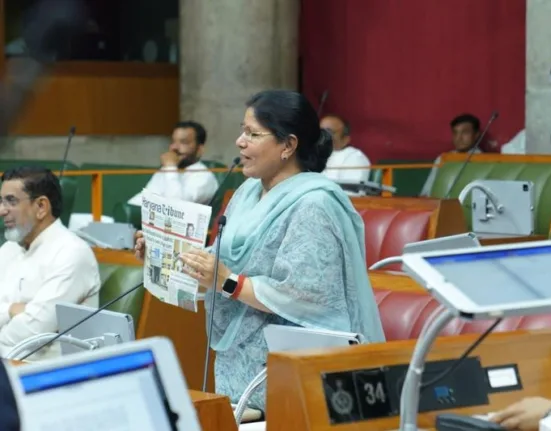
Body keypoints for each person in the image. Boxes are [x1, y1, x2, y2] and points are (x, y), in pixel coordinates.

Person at [135, 90, 385, 410]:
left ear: (288, 145)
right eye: (243, 131)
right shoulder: (247, 192)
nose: (240, 142)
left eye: (253, 134)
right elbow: (215, 265)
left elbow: (304, 295)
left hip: (291, 376)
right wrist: (164, 252)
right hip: (237, 365)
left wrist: (228, 281)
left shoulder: (315, 204)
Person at [0, 166, 100, 359]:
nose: (2, 210)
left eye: (11, 201)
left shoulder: (71, 253)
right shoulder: (9, 249)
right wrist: (11, 310)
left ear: (41, 207)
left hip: (49, 371)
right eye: (1, 201)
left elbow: (32, 331)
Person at [128, 121, 219, 206]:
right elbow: (145, 198)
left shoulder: (204, 177)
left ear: (200, 150)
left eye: (183, 142)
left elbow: (175, 207)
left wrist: (170, 167)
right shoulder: (167, 170)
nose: (174, 147)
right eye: (173, 141)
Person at [420, 113, 482, 197]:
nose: (459, 138)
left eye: (465, 132)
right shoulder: (443, 158)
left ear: (476, 135)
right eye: (455, 133)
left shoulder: (484, 160)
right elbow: (427, 191)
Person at [320, 114, 371, 186]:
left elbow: (350, 191)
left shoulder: (354, 157)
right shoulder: (312, 155)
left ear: (345, 139)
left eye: (328, 132)